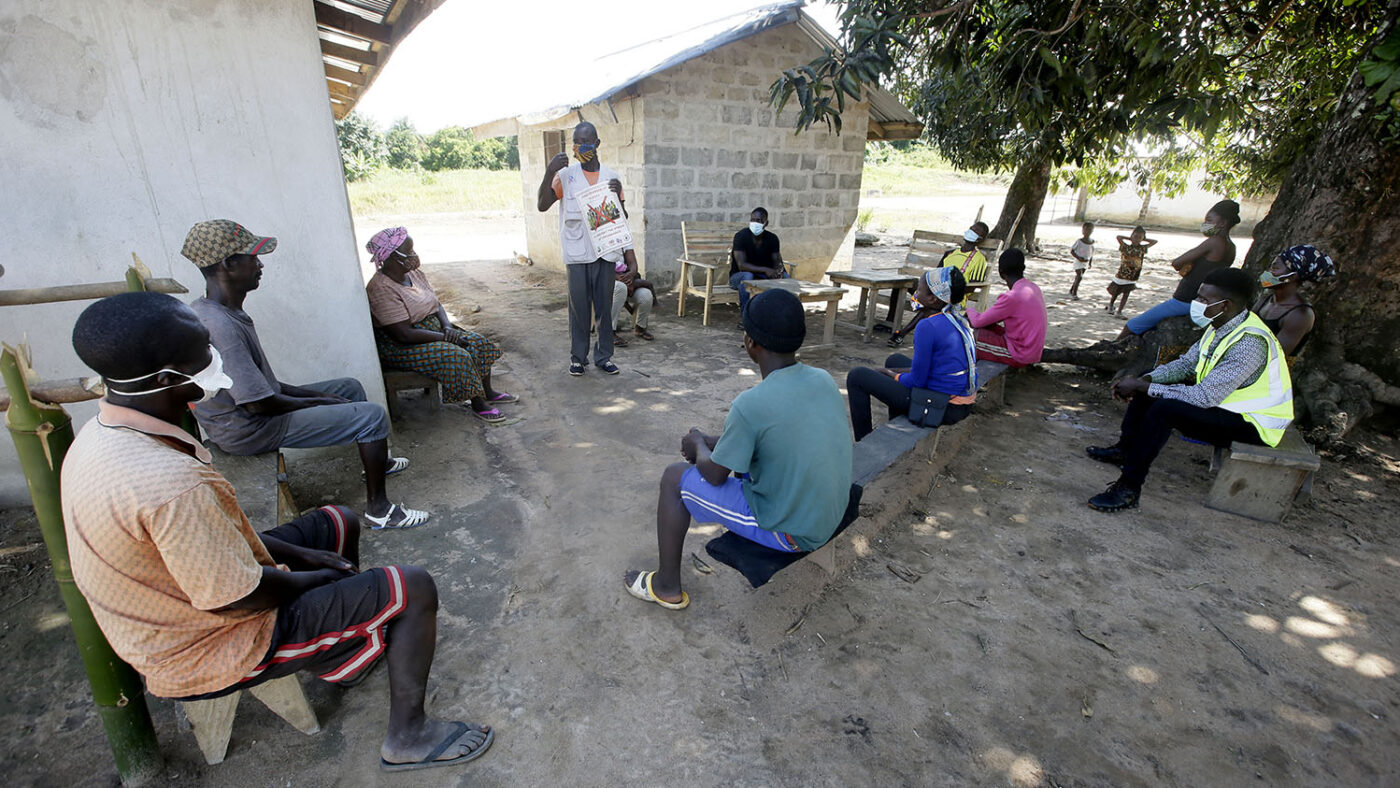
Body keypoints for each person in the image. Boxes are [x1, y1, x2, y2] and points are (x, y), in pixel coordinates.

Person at [61, 292, 493, 773]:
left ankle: (340, 653)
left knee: (336, 522)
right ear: (168, 379)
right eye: (205, 353)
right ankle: (408, 737)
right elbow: (236, 597)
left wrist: (307, 560)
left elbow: (214, 540)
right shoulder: (167, 485)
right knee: (411, 587)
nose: (217, 360)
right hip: (206, 644)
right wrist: (313, 580)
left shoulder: (103, 432)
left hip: (188, 596)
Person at [181, 219, 428, 530]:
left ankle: (380, 463)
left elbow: (264, 387)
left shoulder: (219, 311)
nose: (260, 265)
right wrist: (317, 402)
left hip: (253, 413)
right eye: (253, 258)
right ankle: (380, 511)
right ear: (229, 264)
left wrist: (321, 397)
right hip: (248, 429)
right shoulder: (221, 326)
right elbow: (258, 404)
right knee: (373, 416)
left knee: (349, 388)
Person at [622, 289, 853, 609]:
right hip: (828, 514)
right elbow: (770, 439)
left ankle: (666, 586)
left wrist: (699, 445)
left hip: (793, 532)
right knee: (732, 460)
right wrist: (711, 443)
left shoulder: (751, 404)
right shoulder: (823, 379)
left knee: (674, 478)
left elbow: (715, 475)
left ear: (750, 344)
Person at [1085, 268, 1294, 512]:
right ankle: (1125, 450)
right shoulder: (1222, 324)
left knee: (1164, 409)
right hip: (1224, 404)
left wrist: (1144, 386)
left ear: (1225, 305)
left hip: (1255, 425)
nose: (1196, 303)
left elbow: (1204, 397)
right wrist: (1145, 379)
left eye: (1204, 299)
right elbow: (1186, 364)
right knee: (1151, 390)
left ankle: (1130, 488)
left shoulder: (1249, 342)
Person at [364, 228, 518, 424]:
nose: (414, 255)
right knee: (456, 355)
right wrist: (444, 337)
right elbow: (402, 334)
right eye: (409, 252)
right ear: (393, 256)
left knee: (477, 342)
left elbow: (435, 304)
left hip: (433, 329)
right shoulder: (381, 288)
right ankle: (478, 403)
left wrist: (447, 327)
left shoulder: (414, 274)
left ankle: (487, 392)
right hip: (402, 344)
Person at [537, 121, 637, 376]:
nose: (582, 147)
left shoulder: (612, 177)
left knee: (604, 306)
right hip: (577, 253)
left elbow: (621, 218)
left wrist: (618, 199)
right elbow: (542, 204)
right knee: (579, 308)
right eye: (577, 142)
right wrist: (550, 172)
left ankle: (604, 356)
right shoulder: (566, 176)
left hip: (605, 252)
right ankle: (578, 357)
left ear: (597, 144)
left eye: (586, 142)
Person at [846, 267, 977, 440]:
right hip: (960, 399)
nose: (915, 293)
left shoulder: (927, 326)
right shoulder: (955, 317)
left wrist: (891, 375)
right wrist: (895, 372)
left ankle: (864, 441)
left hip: (943, 406)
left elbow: (917, 380)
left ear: (933, 298)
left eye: (919, 290)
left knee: (857, 376)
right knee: (895, 359)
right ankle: (895, 424)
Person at [1122, 199, 1240, 336]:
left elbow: (1177, 263)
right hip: (1201, 300)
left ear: (1222, 223)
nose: (1205, 224)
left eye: (1209, 220)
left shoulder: (1214, 242)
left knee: (1132, 326)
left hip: (1185, 299)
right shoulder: (1231, 247)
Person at [887, 221, 989, 346]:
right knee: (903, 283)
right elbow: (936, 274)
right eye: (971, 228)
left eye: (976, 231)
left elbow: (973, 287)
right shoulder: (950, 253)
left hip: (953, 298)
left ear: (980, 239)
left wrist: (948, 290)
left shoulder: (979, 259)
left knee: (931, 304)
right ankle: (889, 322)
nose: (971, 231)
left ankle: (901, 333)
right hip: (935, 290)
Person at [966, 249, 1048, 369]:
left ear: (1001, 272)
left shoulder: (1012, 297)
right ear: (1023, 267)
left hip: (1020, 354)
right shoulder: (1033, 288)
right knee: (987, 328)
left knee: (966, 337)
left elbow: (977, 321)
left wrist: (969, 310)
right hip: (1030, 349)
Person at [1253, 243, 1338, 356]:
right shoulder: (1265, 300)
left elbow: (1273, 356)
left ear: (1292, 277)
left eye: (1275, 268)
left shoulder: (1300, 315)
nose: (1268, 272)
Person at [729, 207, 788, 317]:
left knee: (785, 277)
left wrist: (779, 271)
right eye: (753, 220)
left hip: (761, 277)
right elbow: (742, 266)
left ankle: (784, 317)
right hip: (738, 277)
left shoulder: (772, 238)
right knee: (748, 276)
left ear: (766, 223)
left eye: (759, 221)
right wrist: (766, 269)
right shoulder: (741, 236)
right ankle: (747, 318)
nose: (755, 223)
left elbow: (777, 261)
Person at [1107, 226, 1158, 317]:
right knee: (1116, 292)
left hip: (1133, 275)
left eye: (1140, 237)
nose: (1137, 239)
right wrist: (1129, 238)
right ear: (1131, 236)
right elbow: (1119, 237)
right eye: (1135, 236)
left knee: (1126, 293)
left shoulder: (1142, 248)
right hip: (1122, 273)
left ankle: (1119, 311)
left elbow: (1155, 241)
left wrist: (1144, 239)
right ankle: (1111, 305)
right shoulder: (1125, 247)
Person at [612, 255, 656, 343]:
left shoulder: (624, 243)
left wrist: (630, 275)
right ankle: (608, 331)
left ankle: (640, 327)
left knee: (645, 295)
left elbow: (633, 263)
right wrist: (618, 278)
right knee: (620, 288)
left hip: (626, 279)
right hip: (606, 280)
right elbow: (598, 268)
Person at [1069, 221, 1095, 300]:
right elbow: (1072, 251)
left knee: (1078, 277)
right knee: (1079, 276)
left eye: (1090, 230)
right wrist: (1078, 258)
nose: (1087, 231)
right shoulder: (1079, 241)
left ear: (1092, 231)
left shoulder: (1092, 242)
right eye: (1086, 229)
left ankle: (1071, 289)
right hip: (1078, 261)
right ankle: (1074, 294)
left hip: (1086, 262)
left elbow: (1091, 253)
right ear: (1082, 230)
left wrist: (1090, 262)